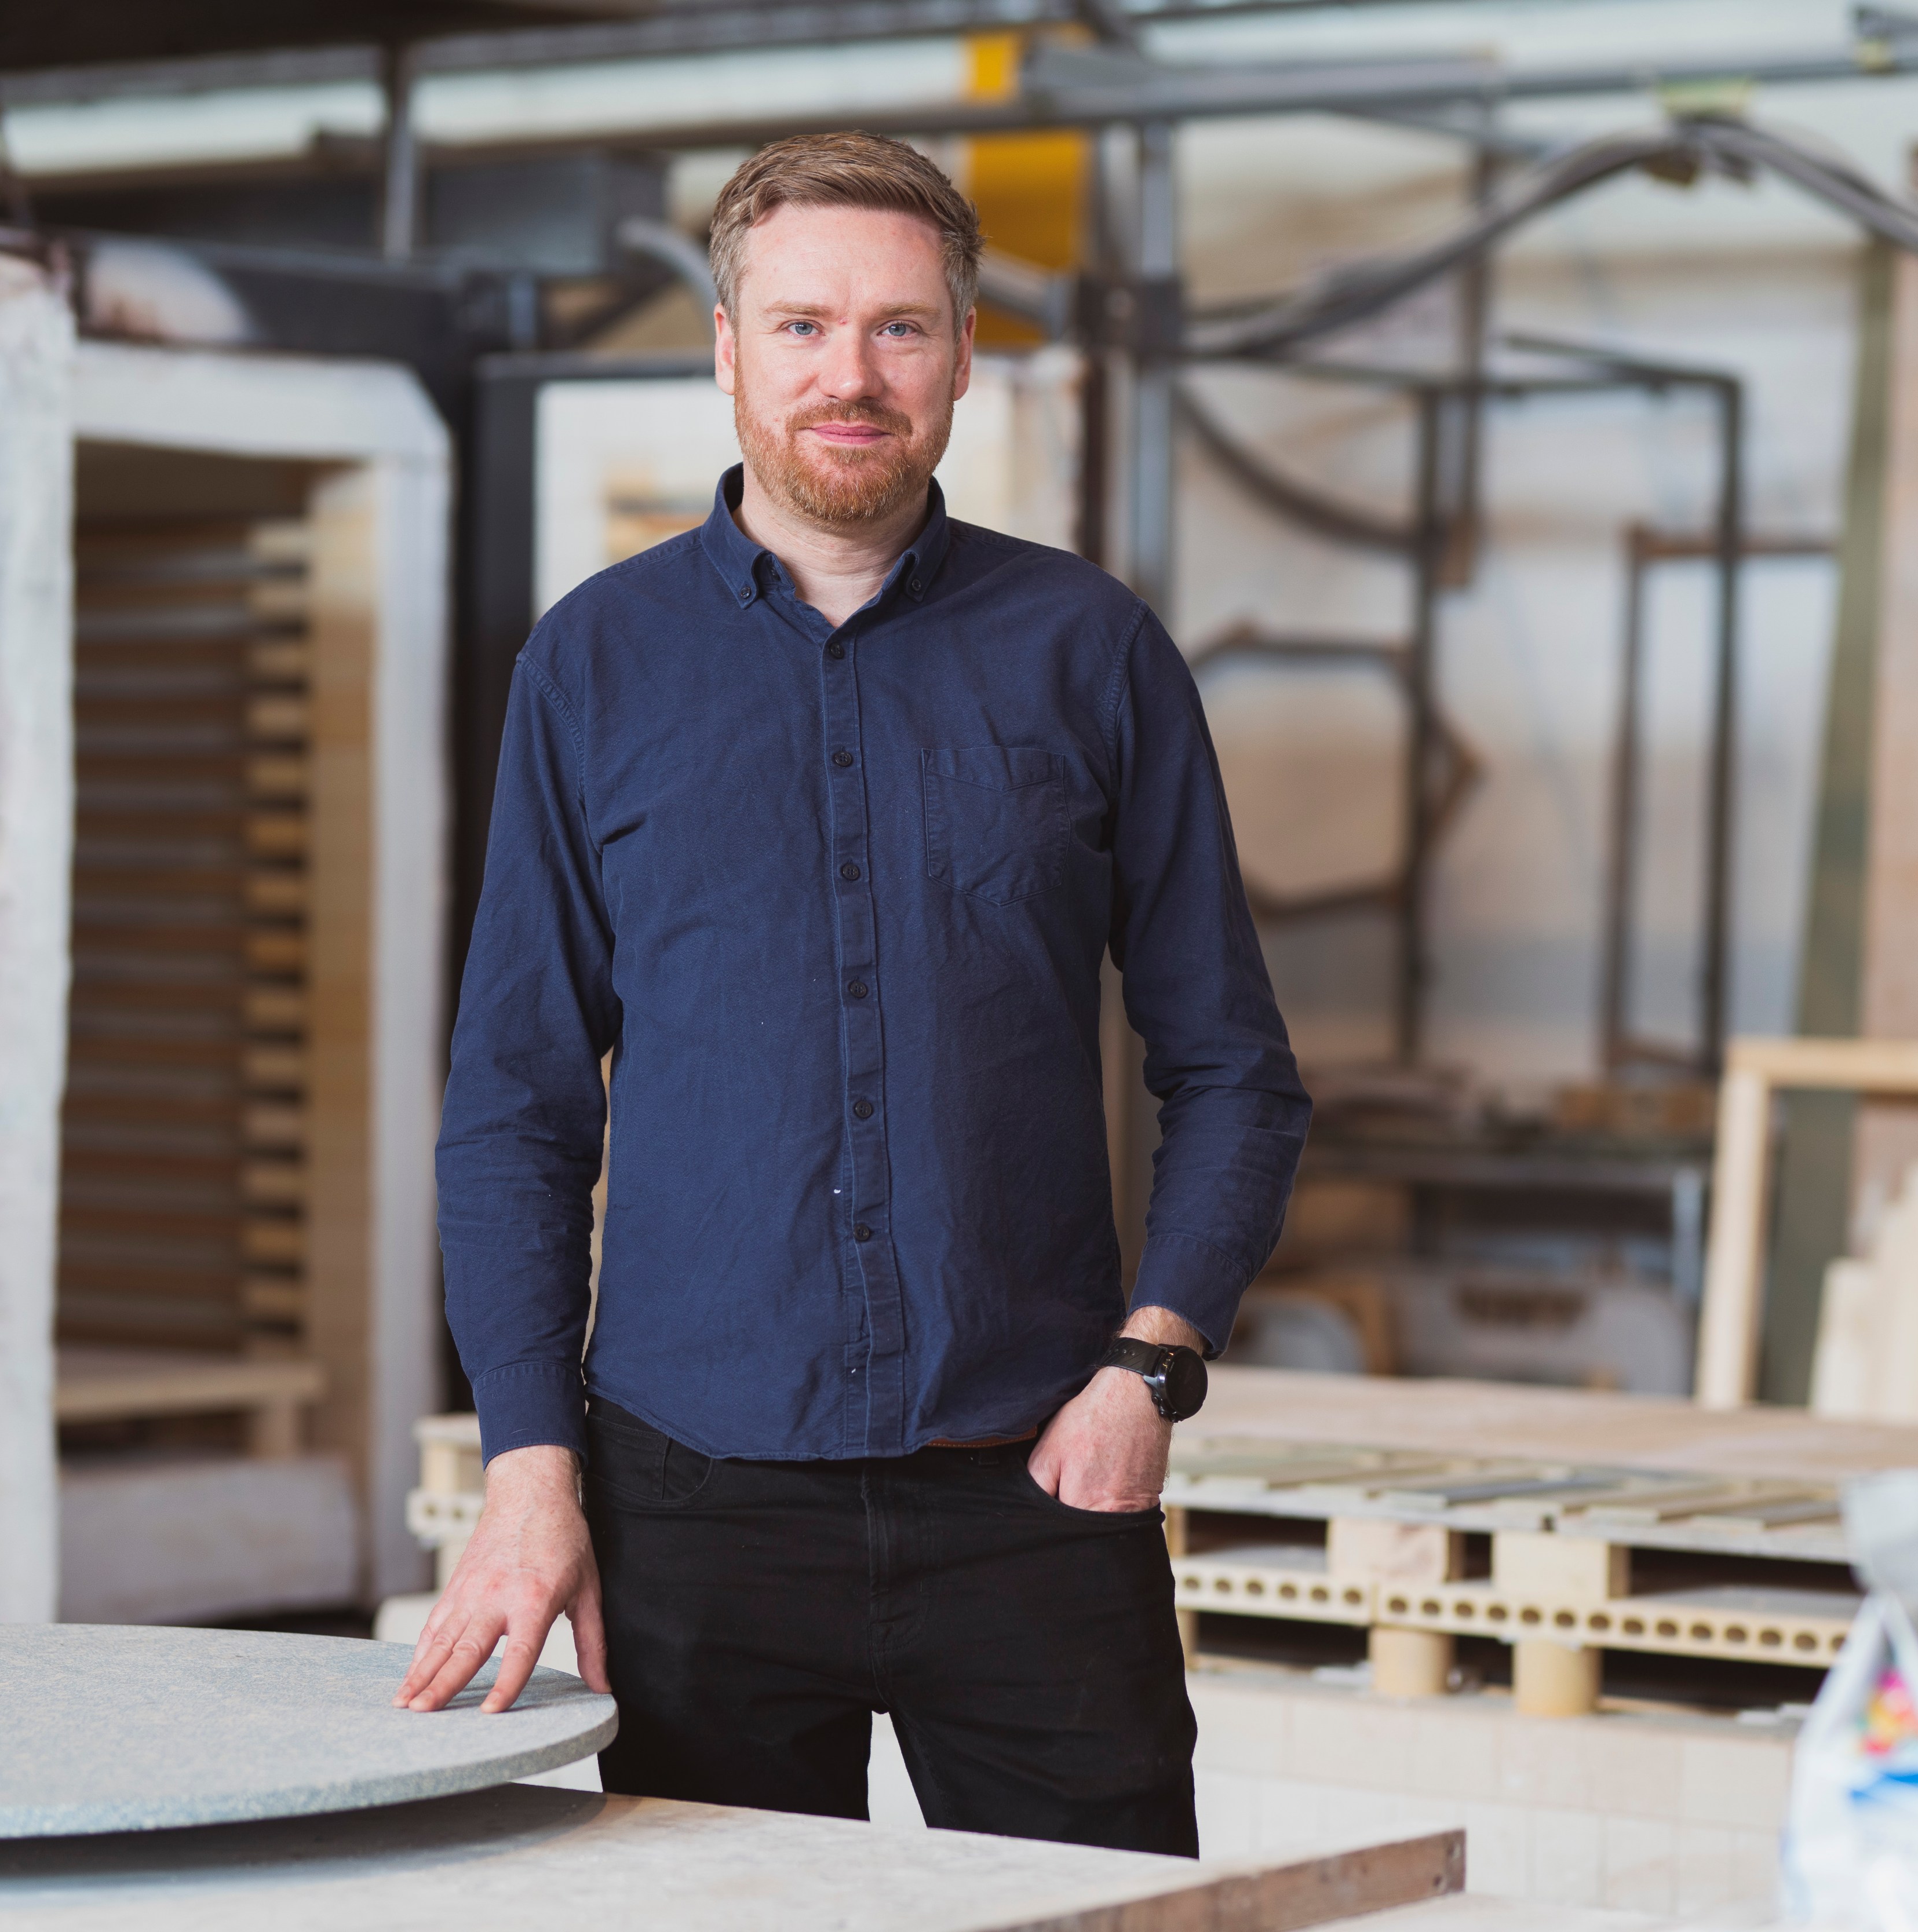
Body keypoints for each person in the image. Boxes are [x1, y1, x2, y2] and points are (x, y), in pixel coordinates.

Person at [398, 130, 1309, 1857]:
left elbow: (1236, 1071)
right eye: (804, 326)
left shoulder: (1090, 652)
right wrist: (530, 1474)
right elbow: (518, 1102)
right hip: (694, 1506)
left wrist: (1152, 1371)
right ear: (728, 352)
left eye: (901, 330)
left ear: (963, 359)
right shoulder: (594, 663)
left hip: (1040, 1484)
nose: (852, 375)